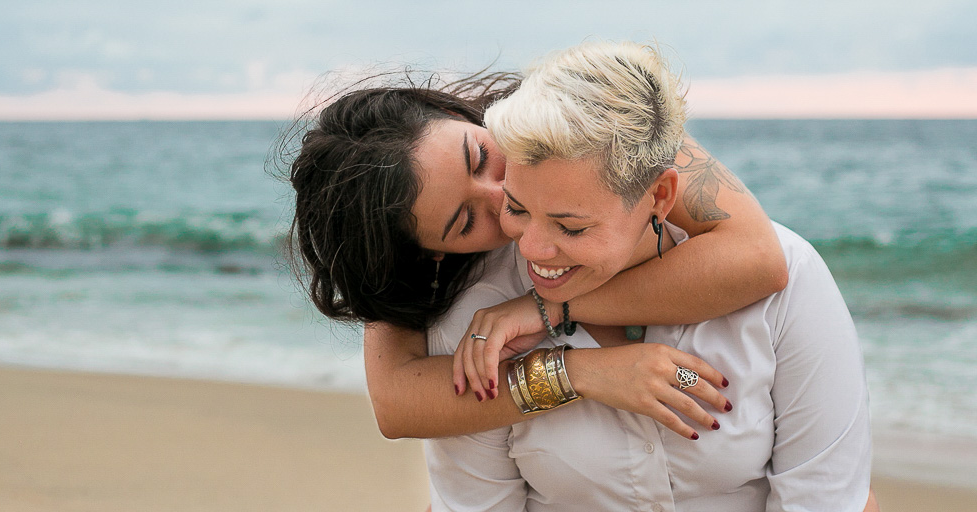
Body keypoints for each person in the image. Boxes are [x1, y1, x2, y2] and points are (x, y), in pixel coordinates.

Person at [424, 40, 873, 510]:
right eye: (516, 208)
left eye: (570, 225)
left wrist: (551, 308)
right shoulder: (480, 314)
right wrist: (565, 373)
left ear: (660, 197)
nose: (531, 248)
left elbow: (825, 499)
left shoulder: (788, 281)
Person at [282, 68, 787, 440]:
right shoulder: (416, 253)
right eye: (466, 222)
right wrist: (578, 373)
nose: (501, 196)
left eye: (480, 156)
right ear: (429, 255)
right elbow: (397, 404)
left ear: (459, 114)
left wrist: (550, 308)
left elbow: (759, 258)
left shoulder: (581, 120)